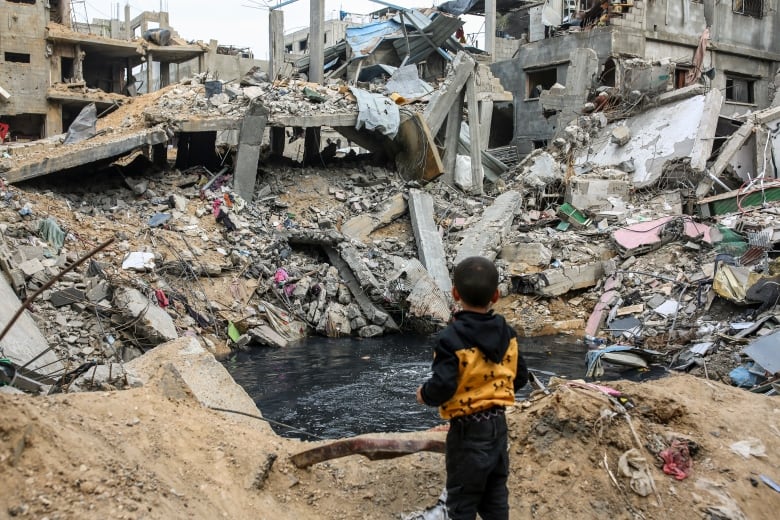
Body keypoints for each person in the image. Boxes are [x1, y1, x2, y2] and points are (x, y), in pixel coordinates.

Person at [416, 256, 528, 520]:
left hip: (466, 433)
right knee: (495, 497)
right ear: (497, 296)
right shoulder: (508, 334)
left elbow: (443, 385)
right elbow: (519, 377)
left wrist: (424, 394)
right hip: (498, 427)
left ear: (455, 294)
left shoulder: (450, 338)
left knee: (462, 500)